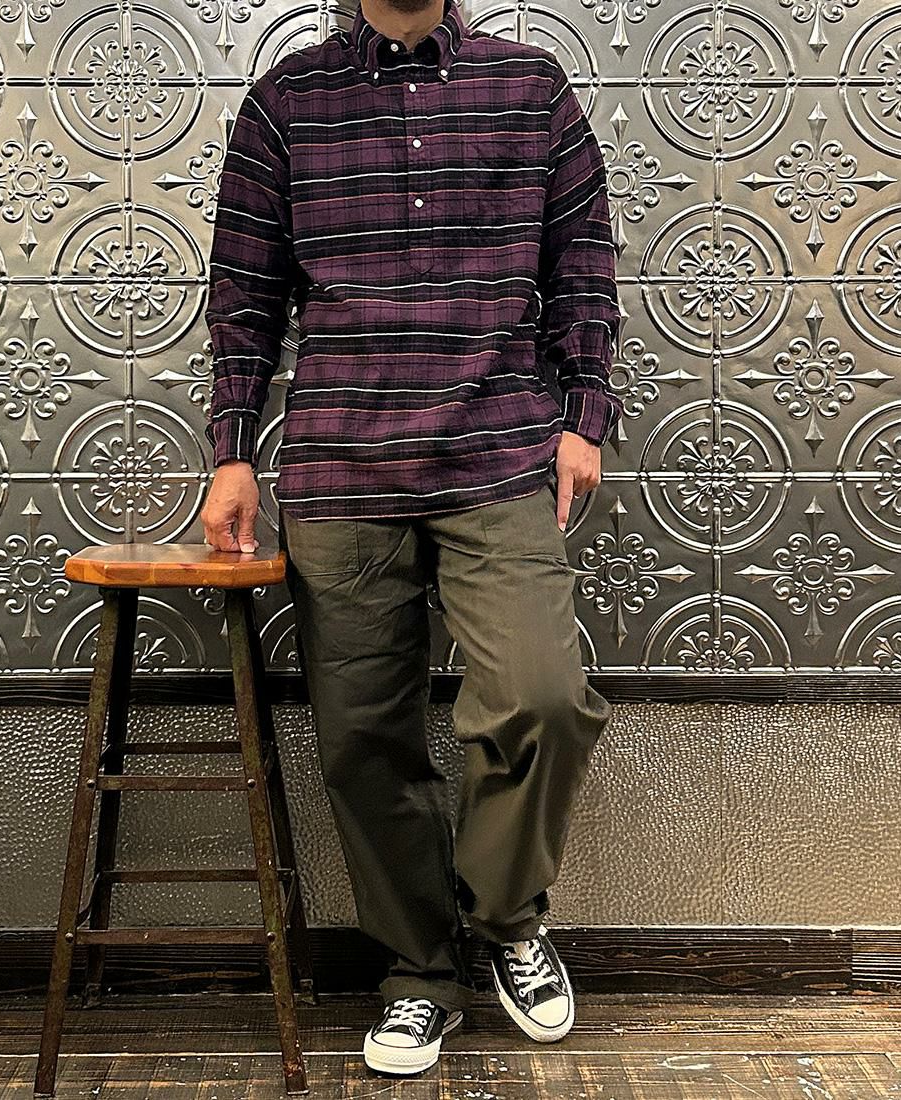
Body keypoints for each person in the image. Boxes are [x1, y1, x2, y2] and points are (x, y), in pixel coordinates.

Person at [200, 0, 621, 1077]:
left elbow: (581, 263)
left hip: (497, 453)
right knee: (363, 739)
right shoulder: (286, 101)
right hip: (341, 468)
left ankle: (505, 917)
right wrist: (231, 449)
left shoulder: (530, 87)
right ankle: (419, 974)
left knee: (540, 696)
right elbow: (244, 295)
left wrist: (585, 415)